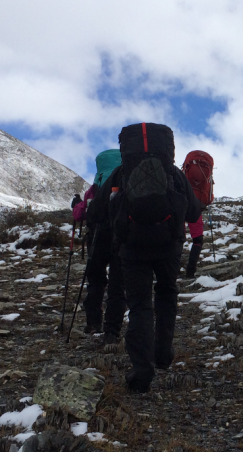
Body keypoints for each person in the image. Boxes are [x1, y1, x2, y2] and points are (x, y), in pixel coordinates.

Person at [115, 124, 202, 393]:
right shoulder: (174, 174)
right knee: (166, 294)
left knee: (140, 305)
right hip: (168, 245)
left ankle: (142, 372)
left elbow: (98, 214)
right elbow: (194, 212)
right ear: (168, 149)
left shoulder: (122, 173)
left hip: (133, 247)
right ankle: (163, 355)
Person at [82, 149, 125, 342]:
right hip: (119, 237)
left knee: (96, 282)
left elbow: (82, 214)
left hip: (97, 238)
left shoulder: (94, 188)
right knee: (118, 284)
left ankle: (93, 322)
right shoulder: (125, 182)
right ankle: (112, 330)